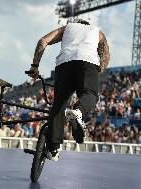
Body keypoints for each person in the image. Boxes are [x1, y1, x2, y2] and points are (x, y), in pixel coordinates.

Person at [28, 19, 110, 161]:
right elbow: (105, 55)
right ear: (87, 26)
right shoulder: (97, 32)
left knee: (59, 104)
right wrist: (97, 73)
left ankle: (54, 148)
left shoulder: (67, 28)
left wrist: (34, 66)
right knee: (90, 93)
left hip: (64, 64)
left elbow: (43, 41)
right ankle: (78, 111)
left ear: (76, 24)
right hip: (88, 63)